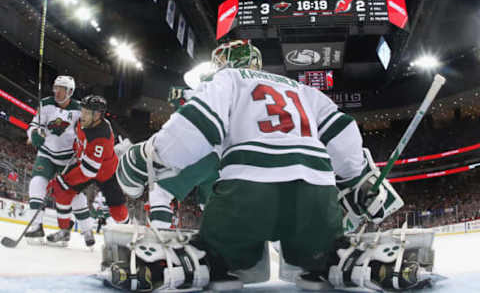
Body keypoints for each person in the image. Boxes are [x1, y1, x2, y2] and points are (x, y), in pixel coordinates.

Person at [109, 40, 436, 292]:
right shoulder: (303, 89)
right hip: (315, 194)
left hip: (248, 191)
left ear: (224, 64)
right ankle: (362, 263)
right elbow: (343, 134)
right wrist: (358, 179)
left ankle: (177, 265)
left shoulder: (229, 80)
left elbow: (194, 130)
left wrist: (148, 157)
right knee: (324, 253)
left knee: (215, 253)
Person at [47, 94, 129, 245]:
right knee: (61, 190)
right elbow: (79, 141)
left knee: (118, 211)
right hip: (86, 163)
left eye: (86, 112)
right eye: (82, 110)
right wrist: (77, 149)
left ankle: (131, 235)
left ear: (97, 115)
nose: (82, 114)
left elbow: (89, 171)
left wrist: (65, 179)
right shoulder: (81, 122)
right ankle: (64, 231)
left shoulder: (101, 135)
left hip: (105, 173)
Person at [25, 75, 95, 247]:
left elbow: (89, 133)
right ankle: (36, 226)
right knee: (36, 183)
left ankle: (87, 230)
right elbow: (35, 125)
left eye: (61, 89)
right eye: (55, 88)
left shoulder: (80, 110)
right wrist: (33, 134)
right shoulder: (46, 103)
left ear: (70, 92)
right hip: (47, 154)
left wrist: (83, 147)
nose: (56, 91)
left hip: (68, 159)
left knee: (75, 195)